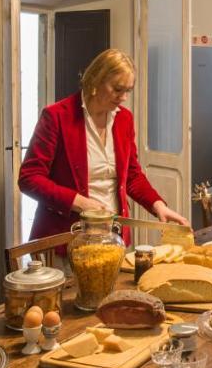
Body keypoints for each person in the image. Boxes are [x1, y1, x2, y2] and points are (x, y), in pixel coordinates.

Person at [19, 48, 188, 243]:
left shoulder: (124, 119)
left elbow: (132, 176)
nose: (123, 97)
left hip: (113, 235)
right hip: (66, 236)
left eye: (128, 91)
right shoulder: (57, 116)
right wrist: (80, 203)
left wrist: (158, 205)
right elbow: (29, 179)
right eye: (117, 89)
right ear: (96, 80)